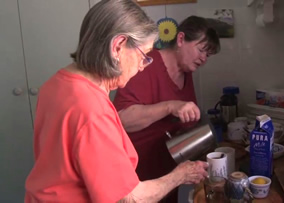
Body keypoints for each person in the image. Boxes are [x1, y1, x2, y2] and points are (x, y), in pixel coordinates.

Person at [24, 1, 208, 202]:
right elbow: (127, 199)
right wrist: (180, 175)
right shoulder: (92, 110)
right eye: (143, 56)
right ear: (118, 46)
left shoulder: (56, 83)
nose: (143, 66)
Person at [113, 15, 220, 202]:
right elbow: (122, 119)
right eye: (201, 50)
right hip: (140, 183)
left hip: (170, 178)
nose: (204, 59)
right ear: (180, 39)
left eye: (208, 55)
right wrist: (170, 106)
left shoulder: (186, 72)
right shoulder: (146, 64)